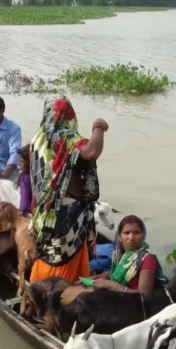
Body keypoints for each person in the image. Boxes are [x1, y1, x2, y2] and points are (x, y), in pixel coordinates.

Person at [29, 95, 108, 283]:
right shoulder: (63, 135)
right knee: (61, 258)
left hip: (43, 213)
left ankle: (37, 289)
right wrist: (99, 127)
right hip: (65, 213)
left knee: (47, 254)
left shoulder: (37, 139)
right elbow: (91, 151)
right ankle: (59, 296)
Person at [90, 215, 167, 294]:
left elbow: (144, 295)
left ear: (143, 236)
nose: (131, 238)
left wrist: (114, 286)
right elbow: (118, 274)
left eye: (136, 233)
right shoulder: (121, 253)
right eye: (126, 233)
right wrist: (97, 277)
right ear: (119, 237)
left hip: (133, 304)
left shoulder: (147, 259)